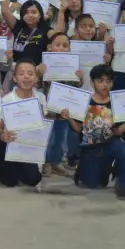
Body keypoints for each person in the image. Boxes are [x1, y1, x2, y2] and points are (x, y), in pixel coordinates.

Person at [72, 65, 125, 199]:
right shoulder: (85, 101)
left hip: (111, 143)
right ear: (92, 82)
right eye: (100, 81)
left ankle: (122, 185)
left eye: (108, 81)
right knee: (93, 184)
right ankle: (84, 170)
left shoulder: (118, 102)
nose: (105, 85)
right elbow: (78, 129)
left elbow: (118, 132)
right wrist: (68, 118)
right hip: (90, 146)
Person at [0, 59, 43, 188]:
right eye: (21, 73)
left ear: (36, 78)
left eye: (30, 74)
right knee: (10, 181)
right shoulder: (6, 100)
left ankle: (21, 164)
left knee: (33, 179)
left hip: (28, 146)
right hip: (8, 144)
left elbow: (43, 128)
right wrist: (2, 134)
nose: (26, 77)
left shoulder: (41, 99)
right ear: (14, 78)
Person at [38, 33, 84, 177]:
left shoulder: (72, 65)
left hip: (64, 111)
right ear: (49, 47)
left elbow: (76, 86)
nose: (61, 48)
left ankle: (55, 161)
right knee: (49, 138)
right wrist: (39, 72)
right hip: (50, 111)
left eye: (65, 45)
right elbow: (39, 84)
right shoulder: (44, 65)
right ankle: (45, 162)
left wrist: (80, 78)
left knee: (61, 139)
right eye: (58, 45)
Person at [0, 0, 57, 66]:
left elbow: (60, 38)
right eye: (26, 12)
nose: (30, 15)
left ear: (40, 14)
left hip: (35, 74)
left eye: (34, 12)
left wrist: (61, 12)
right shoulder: (18, 26)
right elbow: (5, 10)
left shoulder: (47, 31)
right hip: (17, 72)